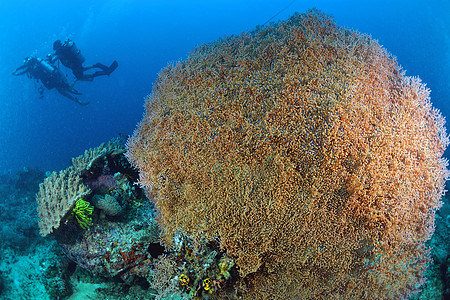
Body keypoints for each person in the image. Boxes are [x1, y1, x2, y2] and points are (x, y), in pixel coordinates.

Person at [12, 56, 89, 105]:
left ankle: (76, 97)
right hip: (50, 78)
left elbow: (23, 70)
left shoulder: (31, 66)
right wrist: (16, 71)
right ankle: (76, 97)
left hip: (49, 79)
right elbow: (24, 69)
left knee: (63, 89)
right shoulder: (33, 64)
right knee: (64, 88)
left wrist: (16, 72)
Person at [49, 39, 118, 82]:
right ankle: (96, 65)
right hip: (76, 63)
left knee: (80, 77)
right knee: (82, 69)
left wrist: (51, 61)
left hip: (74, 65)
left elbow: (55, 57)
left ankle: (100, 73)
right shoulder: (63, 49)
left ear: (56, 47)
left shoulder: (60, 52)